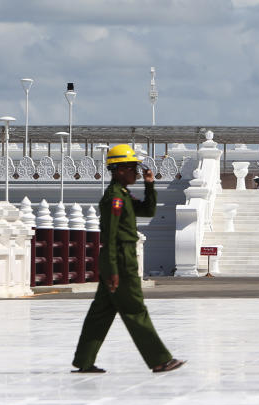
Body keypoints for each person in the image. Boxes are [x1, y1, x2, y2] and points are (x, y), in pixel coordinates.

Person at [72, 144, 184, 374]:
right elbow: (110, 235)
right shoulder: (115, 197)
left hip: (119, 260)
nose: (136, 172)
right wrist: (113, 269)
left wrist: (150, 184)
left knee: (100, 314)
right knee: (134, 310)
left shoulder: (123, 194)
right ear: (120, 169)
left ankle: (84, 360)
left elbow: (148, 210)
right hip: (120, 262)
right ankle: (159, 360)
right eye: (133, 168)